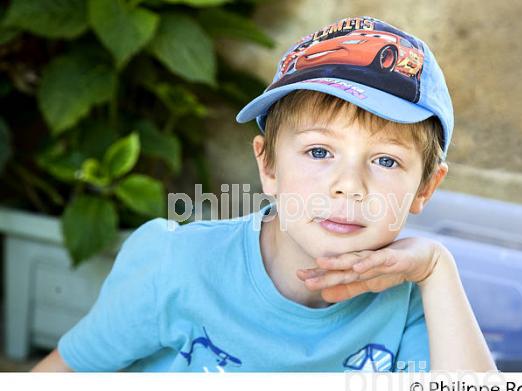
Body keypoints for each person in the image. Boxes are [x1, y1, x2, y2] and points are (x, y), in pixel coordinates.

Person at [32, 16, 496, 372]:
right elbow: (61, 376)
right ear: (268, 165)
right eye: (319, 151)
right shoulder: (176, 263)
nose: (349, 185)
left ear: (426, 187)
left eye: (386, 160)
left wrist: (438, 269)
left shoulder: (415, 302)